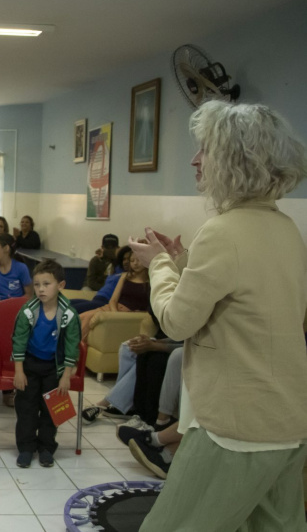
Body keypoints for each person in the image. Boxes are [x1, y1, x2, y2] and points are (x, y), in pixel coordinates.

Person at [130, 101, 307, 532]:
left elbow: (175, 321)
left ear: (235, 159)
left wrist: (159, 264)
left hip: (235, 429)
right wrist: (183, 258)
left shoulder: (223, 230)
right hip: (287, 424)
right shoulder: (285, 229)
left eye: (204, 149)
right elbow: (243, 294)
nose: (194, 159)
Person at [12, 260, 80, 468]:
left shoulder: (69, 314)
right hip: (30, 365)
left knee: (51, 409)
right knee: (26, 409)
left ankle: (46, 448)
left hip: (54, 367)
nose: (40, 289)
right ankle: (25, 448)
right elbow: (18, 342)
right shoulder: (28, 311)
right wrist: (19, 372)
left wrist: (66, 376)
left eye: (46, 284)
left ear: (60, 285)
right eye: (37, 284)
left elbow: (72, 346)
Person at [79, 250, 150, 342]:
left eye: (139, 260)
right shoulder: (125, 276)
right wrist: (114, 314)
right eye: (132, 261)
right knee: (80, 317)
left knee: (88, 318)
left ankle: (73, 349)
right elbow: (113, 300)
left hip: (129, 313)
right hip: (112, 308)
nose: (135, 264)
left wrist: (117, 317)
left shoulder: (151, 282)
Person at [71, 245, 130, 314]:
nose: (126, 262)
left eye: (129, 259)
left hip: (105, 302)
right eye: (124, 259)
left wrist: (104, 252)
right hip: (96, 299)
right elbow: (115, 255)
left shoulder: (128, 275)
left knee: (71, 310)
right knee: (64, 304)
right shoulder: (118, 268)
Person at [0, 233, 33, 302]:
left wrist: (12, 303)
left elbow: (29, 295)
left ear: (6, 248)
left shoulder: (21, 268)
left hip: (18, 308)